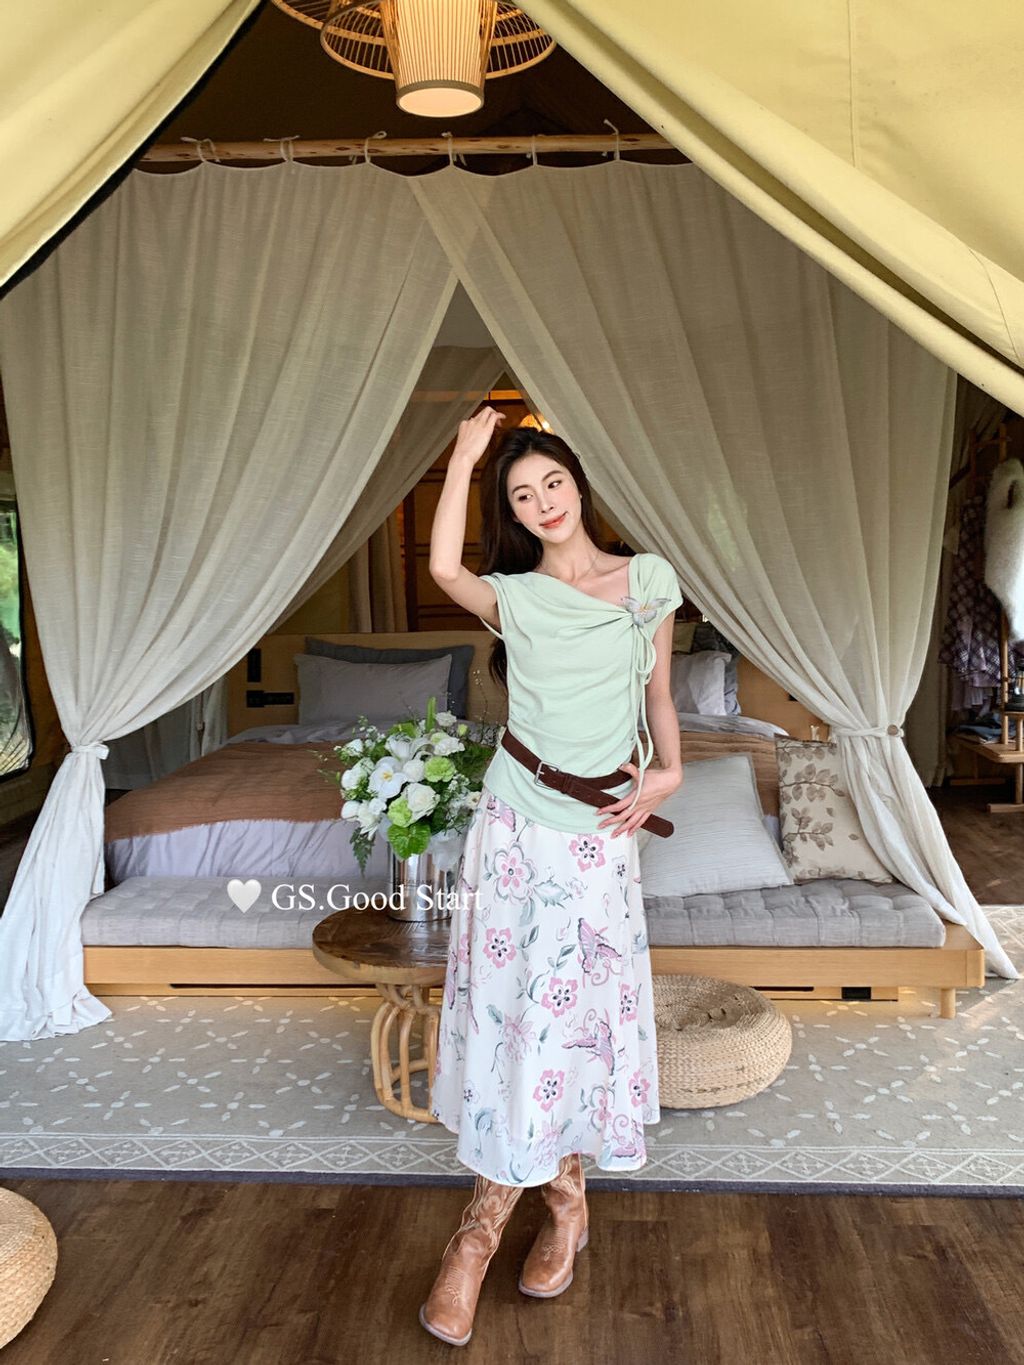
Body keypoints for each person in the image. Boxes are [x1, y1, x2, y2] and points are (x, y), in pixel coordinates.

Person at [420, 407, 683, 1347]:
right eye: (524, 495)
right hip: (514, 821)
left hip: (598, 832)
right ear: (516, 513)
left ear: (578, 483)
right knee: (510, 1009)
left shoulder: (646, 580)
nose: (543, 503)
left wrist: (671, 771)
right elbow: (443, 569)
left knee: (569, 1015)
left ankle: (545, 1211)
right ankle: (497, 1226)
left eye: (553, 483)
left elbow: (658, 694)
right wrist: (464, 457)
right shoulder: (515, 595)